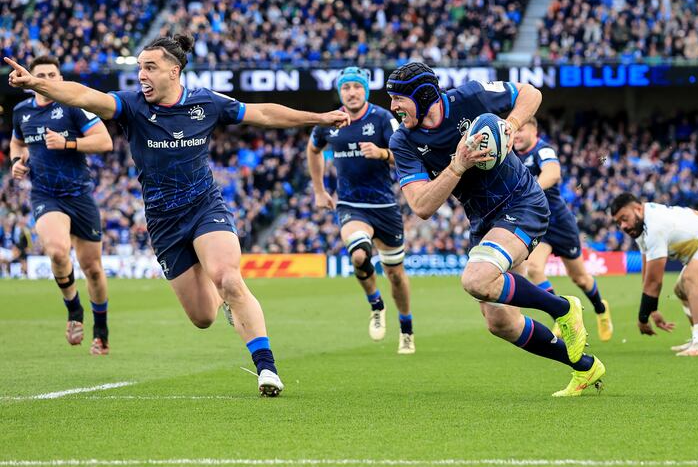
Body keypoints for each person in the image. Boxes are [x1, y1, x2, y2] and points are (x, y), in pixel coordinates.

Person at [5, 35, 350, 396]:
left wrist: (319, 116)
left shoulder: (206, 102)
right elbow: (83, 95)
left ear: (175, 70)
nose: (141, 75)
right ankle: (223, 302)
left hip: (205, 207)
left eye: (149, 67)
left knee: (228, 278)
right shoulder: (131, 106)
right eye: (139, 67)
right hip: (163, 223)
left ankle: (267, 368)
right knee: (203, 317)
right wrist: (37, 84)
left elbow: (262, 113)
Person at [387, 62, 605, 397]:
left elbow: (531, 93)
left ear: (423, 95)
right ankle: (585, 367)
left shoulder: (471, 96)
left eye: (399, 99)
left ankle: (562, 308)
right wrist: (457, 165)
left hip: (523, 203)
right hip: (483, 221)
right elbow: (421, 206)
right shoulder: (402, 141)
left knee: (475, 279)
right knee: (501, 323)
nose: (393, 107)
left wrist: (510, 125)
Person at [9, 55, 113, 354]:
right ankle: (74, 311)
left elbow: (104, 141)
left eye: (52, 74)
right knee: (56, 250)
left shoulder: (73, 108)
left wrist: (68, 143)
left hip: (80, 196)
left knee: (92, 268)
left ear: (59, 78)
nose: (46, 79)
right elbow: (17, 142)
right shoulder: (22, 112)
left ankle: (101, 330)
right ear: (31, 80)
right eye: (40, 74)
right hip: (46, 195)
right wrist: (17, 161)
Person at [308, 67, 415, 354]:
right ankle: (376, 305)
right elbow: (313, 149)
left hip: (385, 207)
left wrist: (382, 153)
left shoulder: (382, 118)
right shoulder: (331, 122)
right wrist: (319, 190)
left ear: (365, 90)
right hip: (351, 205)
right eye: (346, 88)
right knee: (358, 254)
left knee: (395, 274)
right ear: (340, 92)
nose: (351, 92)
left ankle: (406, 328)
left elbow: (408, 154)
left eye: (356, 86)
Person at [610, 193, 698, 357]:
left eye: (624, 218)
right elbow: (647, 269)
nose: (623, 226)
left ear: (638, 209)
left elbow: (654, 281)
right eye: (618, 223)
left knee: (691, 278)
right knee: (680, 289)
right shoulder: (643, 226)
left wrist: (643, 317)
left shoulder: (654, 225)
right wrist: (652, 309)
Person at [513, 115, 613, 341]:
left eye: (521, 129)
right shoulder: (511, 155)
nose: (516, 134)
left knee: (580, 278)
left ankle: (601, 309)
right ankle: (561, 315)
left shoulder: (543, 150)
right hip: (539, 224)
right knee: (534, 269)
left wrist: (531, 191)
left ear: (533, 130)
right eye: (514, 130)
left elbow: (553, 172)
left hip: (560, 223)